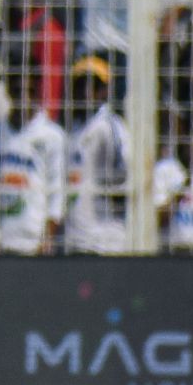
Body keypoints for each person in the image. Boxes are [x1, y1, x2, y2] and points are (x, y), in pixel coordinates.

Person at [62, 56, 131, 254]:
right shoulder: (73, 128)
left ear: (105, 90)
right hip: (76, 236)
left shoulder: (110, 125)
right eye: (81, 85)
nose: (86, 92)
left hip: (104, 239)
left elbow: (124, 174)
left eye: (94, 85)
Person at [0, 68, 65, 256]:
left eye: (30, 91)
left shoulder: (52, 135)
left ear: (38, 92)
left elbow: (56, 192)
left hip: (34, 241)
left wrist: (47, 239)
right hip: (1, 239)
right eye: (18, 91)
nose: (24, 98)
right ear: (8, 92)